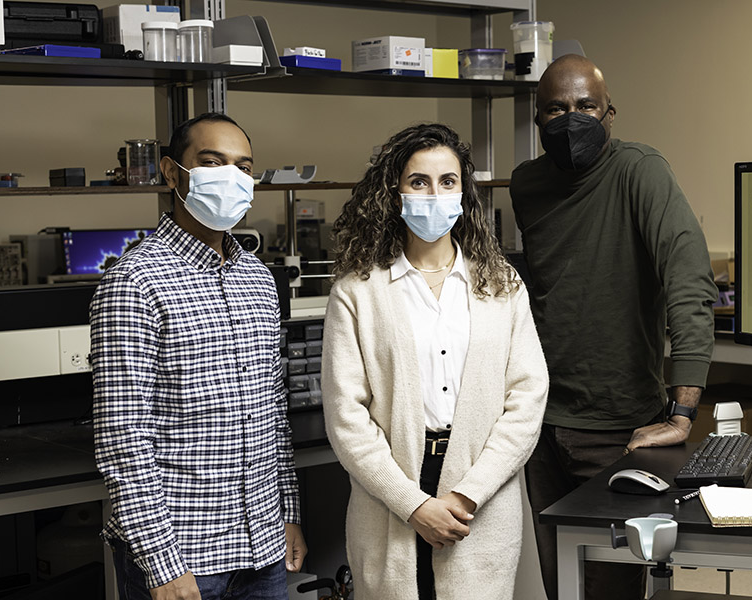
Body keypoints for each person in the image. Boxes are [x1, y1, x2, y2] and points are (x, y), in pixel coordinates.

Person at [510, 55, 718, 600]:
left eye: (585, 106)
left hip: (619, 430)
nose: (570, 118)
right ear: (537, 119)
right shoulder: (527, 185)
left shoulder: (640, 171)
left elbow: (689, 277)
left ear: (610, 114)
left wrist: (683, 410)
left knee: (610, 589)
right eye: (555, 108)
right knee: (561, 583)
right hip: (539, 426)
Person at [321, 123, 548, 600]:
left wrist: (466, 494)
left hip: (479, 493)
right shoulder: (357, 291)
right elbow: (346, 417)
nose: (433, 193)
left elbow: (527, 398)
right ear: (395, 192)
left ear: (463, 193)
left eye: (447, 181)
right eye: (418, 181)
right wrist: (413, 504)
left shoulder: (501, 284)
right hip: (391, 492)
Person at [90, 112, 307, 600]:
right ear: (172, 174)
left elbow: (274, 413)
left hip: (262, 546)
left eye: (244, 167)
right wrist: (162, 563)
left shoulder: (256, 277)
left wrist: (288, 514)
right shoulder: (135, 281)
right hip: (183, 555)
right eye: (213, 162)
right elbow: (122, 437)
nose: (232, 178)